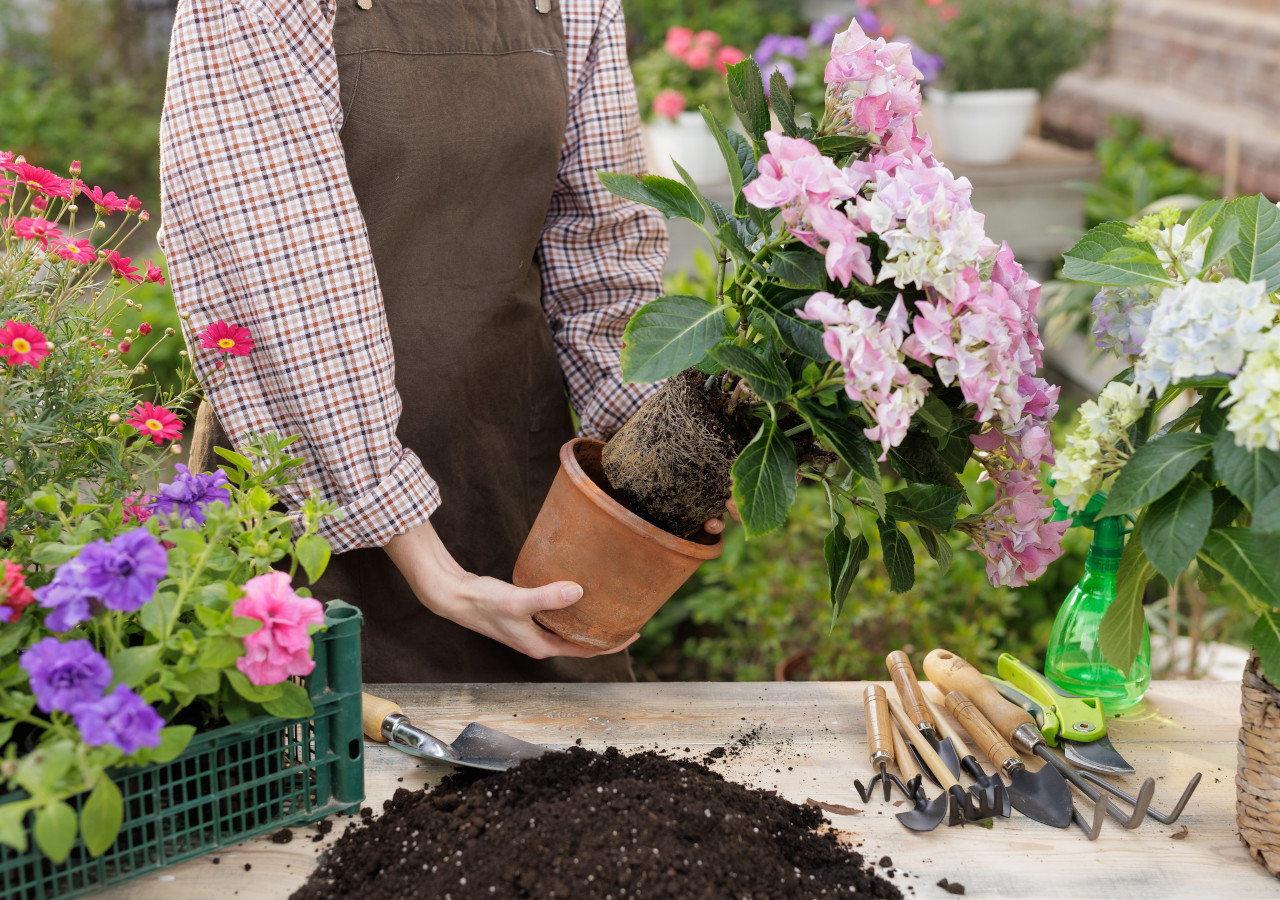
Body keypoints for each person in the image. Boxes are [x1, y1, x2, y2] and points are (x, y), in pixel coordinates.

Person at [159, 0, 723, 682]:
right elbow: (283, 279)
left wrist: (667, 468)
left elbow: (601, 263)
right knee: (322, 775)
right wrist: (438, 577)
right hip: (301, 502)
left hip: (522, 506)